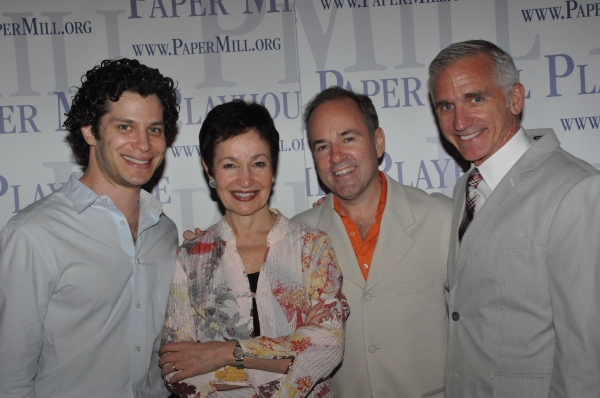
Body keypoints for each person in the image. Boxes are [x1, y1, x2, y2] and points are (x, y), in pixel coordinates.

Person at [429, 39, 600, 397]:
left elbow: (587, 352)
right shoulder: (466, 187)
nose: (460, 121)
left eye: (476, 98)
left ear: (515, 98)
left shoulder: (578, 189)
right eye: (446, 106)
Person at [0, 58, 179, 397]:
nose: (143, 144)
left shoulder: (165, 232)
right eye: (125, 127)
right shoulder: (33, 234)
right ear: (89, 131)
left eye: (154, 129)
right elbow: (9, 378)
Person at [158, 100, 349, 398]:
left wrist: (226, 353)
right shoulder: (189, 258)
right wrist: (277, 362)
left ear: (273, 167)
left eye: (258, 163)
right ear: (209, 170)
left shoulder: (312, 247)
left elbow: (327, 344)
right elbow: (177, 365)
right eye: (230, 165)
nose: (245, 180)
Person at [292, 87, 452, 398]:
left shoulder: (441, 218)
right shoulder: (298, 236)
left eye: (348, 138)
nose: (336, 156)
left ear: (378, 141)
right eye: (323, 146)